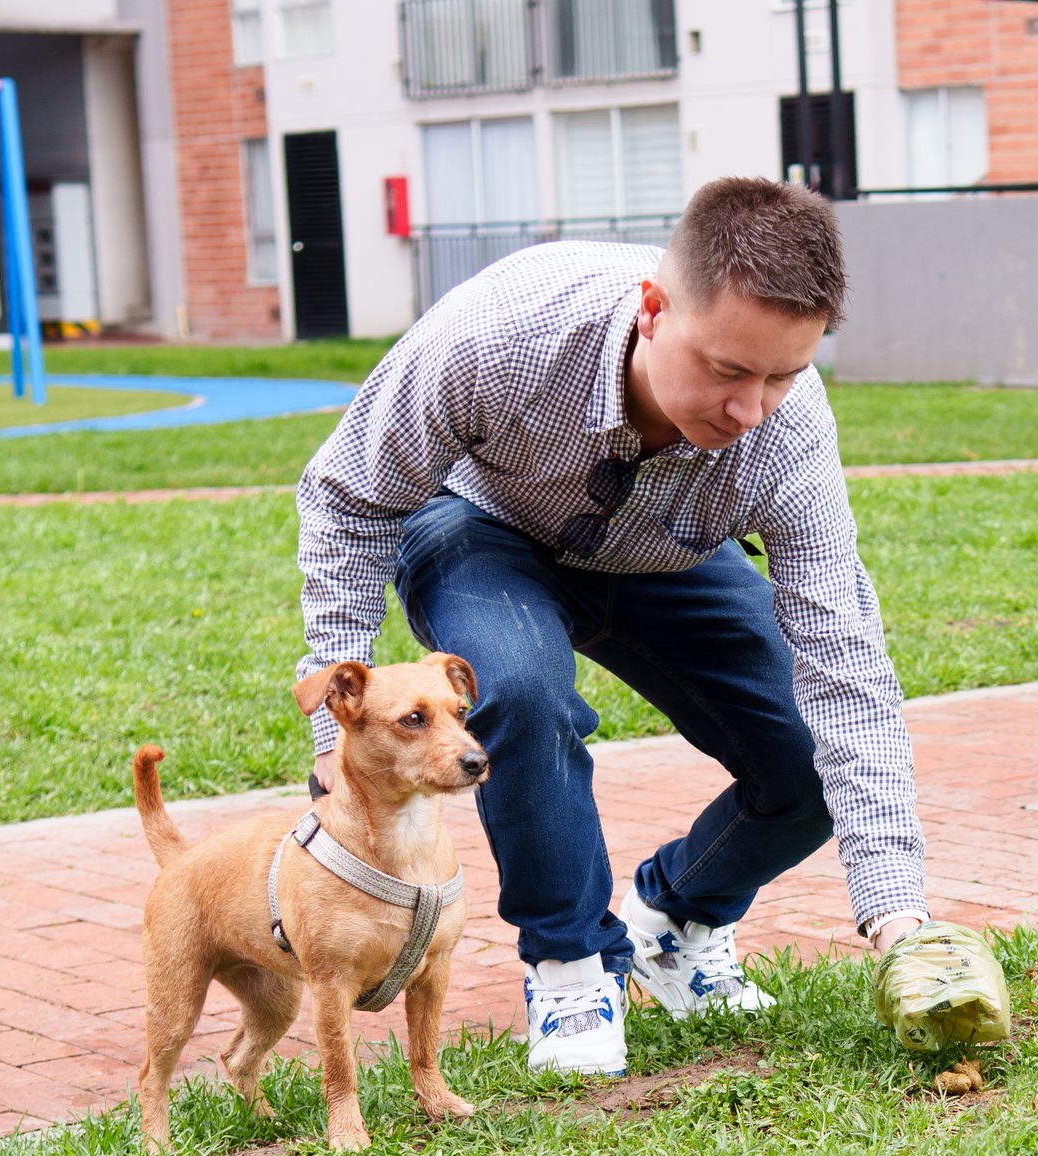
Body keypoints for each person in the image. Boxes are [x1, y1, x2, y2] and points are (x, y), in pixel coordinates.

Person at [294, 177, 926, 1079]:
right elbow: (350, 497)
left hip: (667, 555)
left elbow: (846, 662)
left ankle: (677, 920)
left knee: (810, 748)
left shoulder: (788, 435)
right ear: (655, 310)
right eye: (727, 369)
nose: (752, 409)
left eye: (783, 374)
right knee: (517, 684)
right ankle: (571, 964)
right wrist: (333, 733)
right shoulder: (502, 331)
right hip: (485, 528)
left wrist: (898, 914)